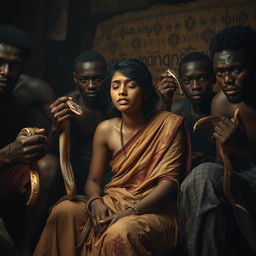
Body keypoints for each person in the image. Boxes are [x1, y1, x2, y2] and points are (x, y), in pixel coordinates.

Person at [34, 59, 191, 256]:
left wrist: (131, 211)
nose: (122, 92)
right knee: (65, 211)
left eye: (131, 85)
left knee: (120, 231)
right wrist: (95, 201)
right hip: (113, 201)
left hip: (154, 211)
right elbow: (93, 181)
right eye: (115, 86)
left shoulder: (169, 125)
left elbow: (169, 184)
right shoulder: (106, 129)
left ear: (144, 92)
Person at [179, 26, 256, 256]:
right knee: (201, 176)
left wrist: (243, 148)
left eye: (236, 70)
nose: (227, 80)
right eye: (220, 72)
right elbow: (223, 169)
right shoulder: (221, 105)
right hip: (240, 181)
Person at [0, 25, 57, 255]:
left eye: (14, 65)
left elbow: (58, 137)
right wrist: (8, 153)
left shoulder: (33, 90)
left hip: (9, 173)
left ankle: (26, 247)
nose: (5, 71)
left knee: (49, 166)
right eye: (0, 62)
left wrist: (58, 124)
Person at [49, 51, 109, 194]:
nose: (91, 85)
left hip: (110, 170)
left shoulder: (115, 101)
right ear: (75, 79)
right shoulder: (67, 105)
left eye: (97, 79)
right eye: (84, 80)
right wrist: (55, 128)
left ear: (106, 77)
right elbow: (51, 152)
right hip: (77, 171)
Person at [157, 52, 216, 167]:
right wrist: (165, 102)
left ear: (213, 78)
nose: (195, 86)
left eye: (203, 78)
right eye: (187, 81)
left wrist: (209, 160)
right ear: (180, 83)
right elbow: (159, 146)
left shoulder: (223, 106)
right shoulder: (176, 110)